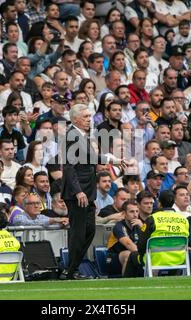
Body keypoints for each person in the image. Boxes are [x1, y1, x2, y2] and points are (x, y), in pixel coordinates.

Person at [60, 104, 116, 280]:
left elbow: (89, 159)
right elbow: (69, 167)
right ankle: (71, 270)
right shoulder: (71, 135)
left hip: (88, 192)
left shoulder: (81, 136)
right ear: (75, 119)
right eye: (85, 117)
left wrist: (110, 159)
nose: (89, 120)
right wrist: (78, 191)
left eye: (89, 117)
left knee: (90, 230)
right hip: (78, 193)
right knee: (78, 232)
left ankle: (71, 268)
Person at [106, 200, 142, 276]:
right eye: (131, 212)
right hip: (113, 259)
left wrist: (143, 228)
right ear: (124, 214)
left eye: (137, 211)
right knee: (129, 255)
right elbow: (128, 244)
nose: (135, 215)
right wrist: (144, 256)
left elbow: (148, 242)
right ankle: (127, 283)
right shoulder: (119, 226)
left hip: (134, 257)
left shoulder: (139, 226)